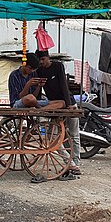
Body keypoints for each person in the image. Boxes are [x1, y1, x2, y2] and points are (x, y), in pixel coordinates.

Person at [36, 50, 81, 179]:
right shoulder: (40, 70)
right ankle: (70, 163)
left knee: (74, 135)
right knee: (52, 137)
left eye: (43, 60)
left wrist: (69, 104)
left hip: (69, 103)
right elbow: (40, 89)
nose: (41, 62)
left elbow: (64, 85)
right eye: (40, 61)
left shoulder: (58, 66)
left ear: (48, 58)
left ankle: (76, 163)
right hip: (55, 105)